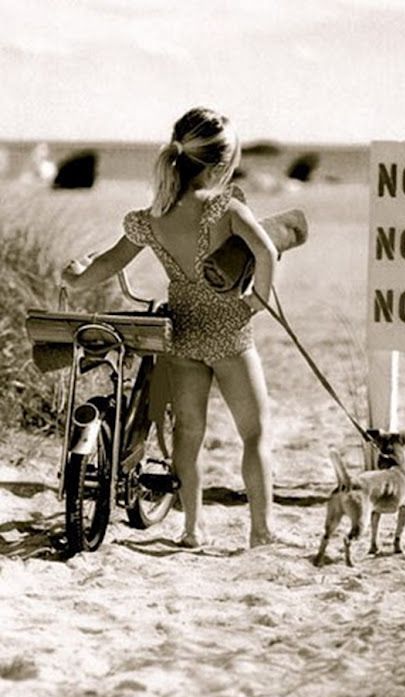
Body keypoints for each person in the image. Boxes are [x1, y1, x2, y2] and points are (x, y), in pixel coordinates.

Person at [62, 107, 278, 549]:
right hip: (230, 333)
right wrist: (258, 299)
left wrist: (76, 277)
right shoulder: (225, 207)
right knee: (255, 433)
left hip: (183, 333)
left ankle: (192, 528)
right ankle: (260, 531)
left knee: (188, 434)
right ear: (222, 164)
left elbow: (108, 263)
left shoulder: (152, 217)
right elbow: (268, 250)